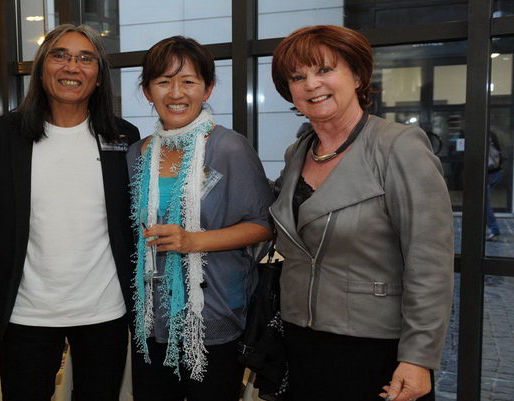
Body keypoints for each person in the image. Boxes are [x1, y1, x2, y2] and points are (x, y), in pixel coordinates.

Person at [269, 25, 454, 401]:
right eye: (298, 77)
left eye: (324, 70)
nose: (311, 84)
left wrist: (419, 357)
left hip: (375, 346)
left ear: (356, 75)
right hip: (300, 339)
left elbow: (429, 261)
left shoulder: (398, 147)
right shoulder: (297, 153)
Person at [0, 24, 139, 401]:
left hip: (104, 310)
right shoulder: (0, 136)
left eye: (86, 58)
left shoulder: (122, 136)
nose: (72, 66)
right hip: (27, 312)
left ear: (98, 77)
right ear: (42, 68)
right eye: (59, 55)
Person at [127, 36, 274, 401]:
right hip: (150, 317)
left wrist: (193, 241)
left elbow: (262, 224)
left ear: (207, 88)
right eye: (163, 81)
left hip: (213, 313)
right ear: (147, 92)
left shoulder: (229, 147)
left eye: (189, 81)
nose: (176, 93)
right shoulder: (137, 154)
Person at [487, 131, 504, 241]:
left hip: (489, 174)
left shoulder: (480, 133)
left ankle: (494, 230)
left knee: (483, 203)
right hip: (497, 172)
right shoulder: (492, 133)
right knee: (482, 202)